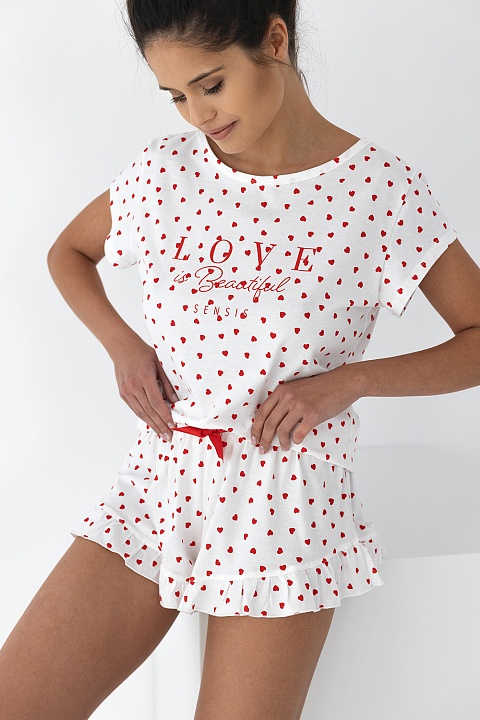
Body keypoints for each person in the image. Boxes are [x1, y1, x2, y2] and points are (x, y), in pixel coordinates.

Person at [1, 1, 480, 718]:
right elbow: (68, 252)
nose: (198, 114)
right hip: (161, 483)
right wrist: (124, 347)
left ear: (275, 41)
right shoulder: (165, 172)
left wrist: (352, 381)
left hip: (287, 513)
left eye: (211, 84)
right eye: (176, 96)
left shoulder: (378, 190)